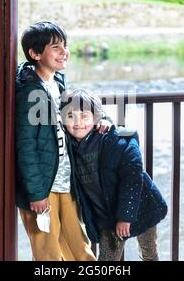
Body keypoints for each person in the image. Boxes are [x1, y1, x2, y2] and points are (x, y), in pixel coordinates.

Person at [15, 21, 98, 261]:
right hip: (42, 188)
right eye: (56, 47)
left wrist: (101, 123)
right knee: (48, 254)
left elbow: (74, 119)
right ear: (35, 53)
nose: (64, 52)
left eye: (65, 46)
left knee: (80, 249)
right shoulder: (30, 92)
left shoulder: (58, 83)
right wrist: (36, 193)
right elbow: (26, 147)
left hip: (65, 181)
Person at [60, 89, 168, 261]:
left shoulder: (113, 140)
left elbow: (132, 178)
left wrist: (125, 217)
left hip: (141, 206)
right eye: (71, 116)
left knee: (149, 253)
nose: (78, 122)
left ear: (96, 118)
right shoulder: (67, 144)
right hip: (107, 218)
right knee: (107, 260)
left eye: (85, 116)